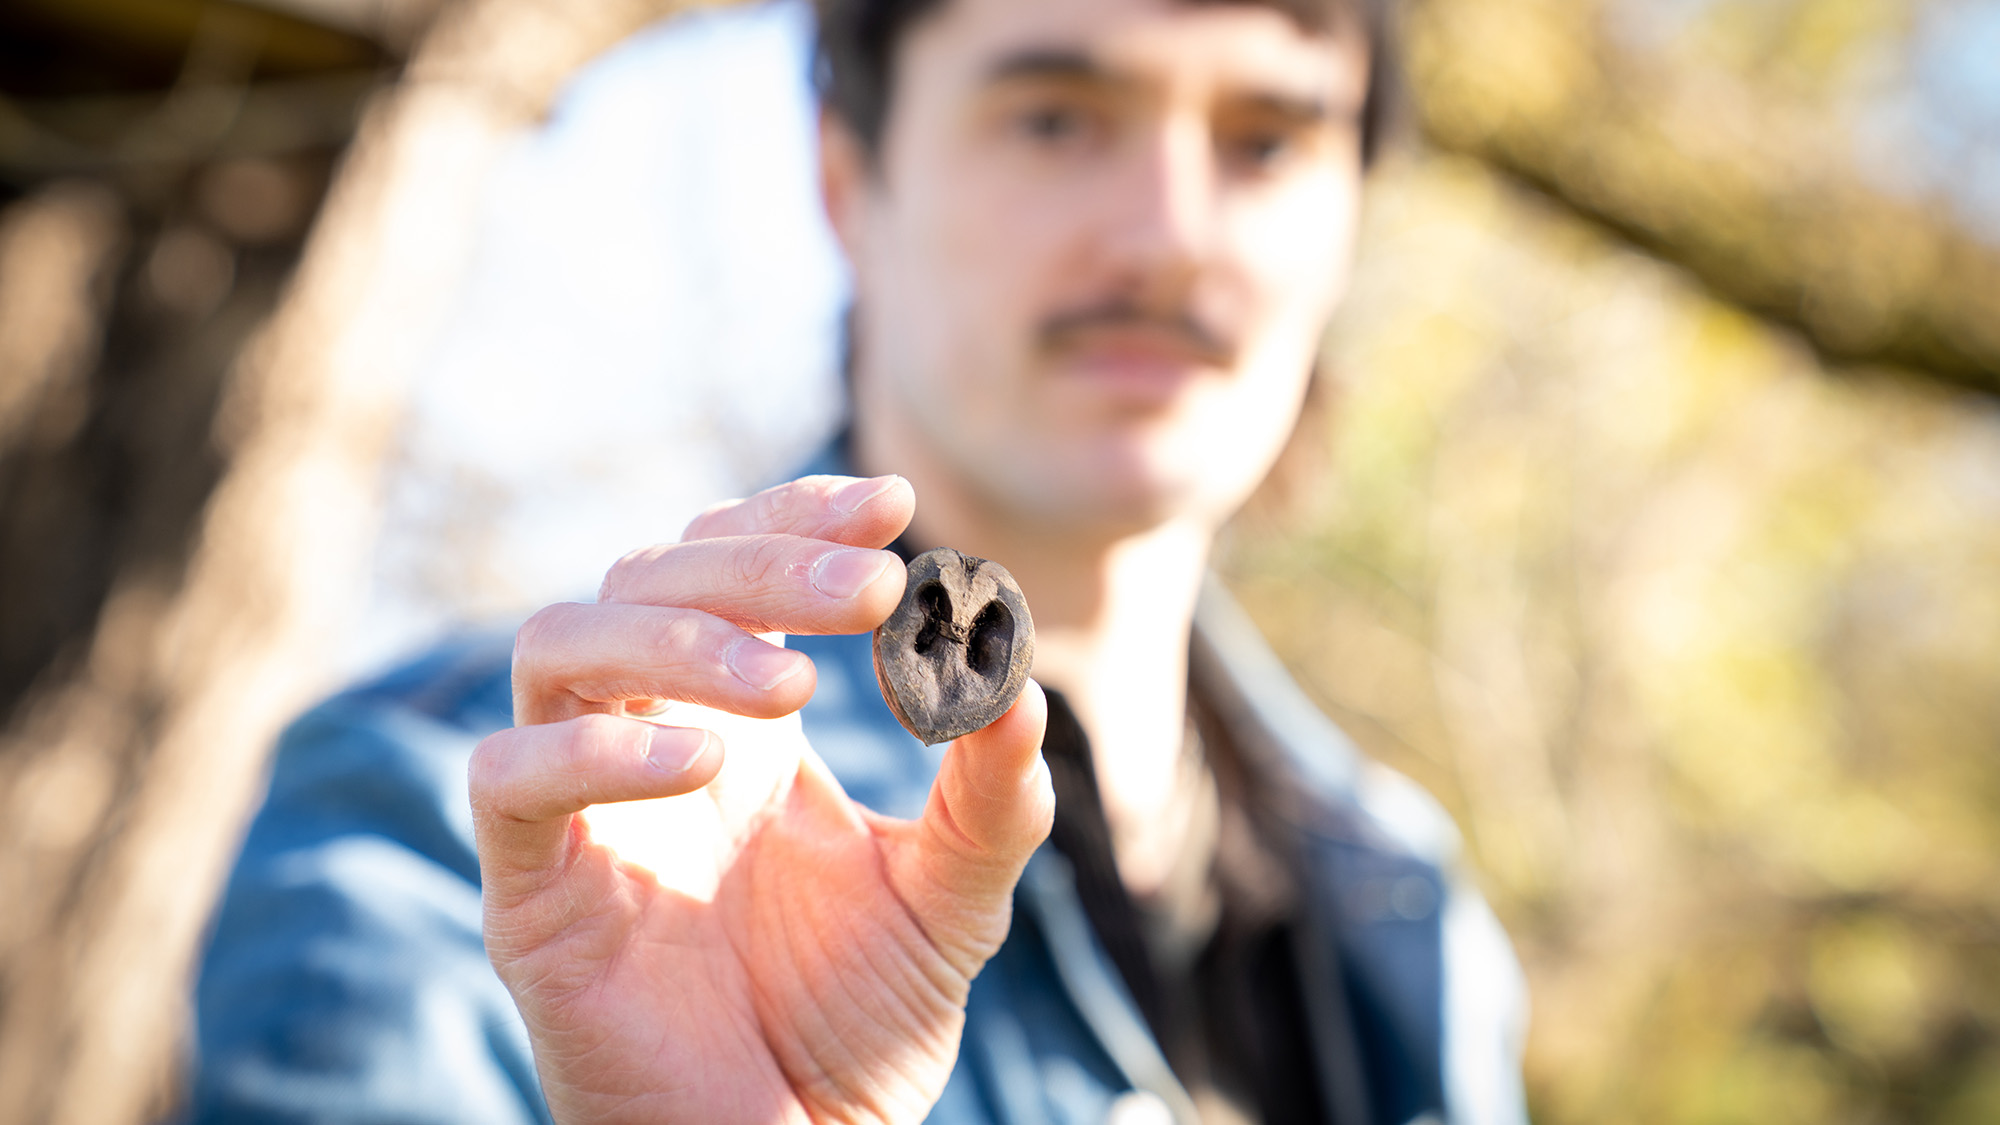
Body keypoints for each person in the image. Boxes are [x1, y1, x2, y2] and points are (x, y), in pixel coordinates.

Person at [188, 0, 1527, 1121]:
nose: (1170, 235)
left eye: (1268, 139)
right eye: (1056, 117)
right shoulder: (502, 833)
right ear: (846, 181)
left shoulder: (1415, 916)